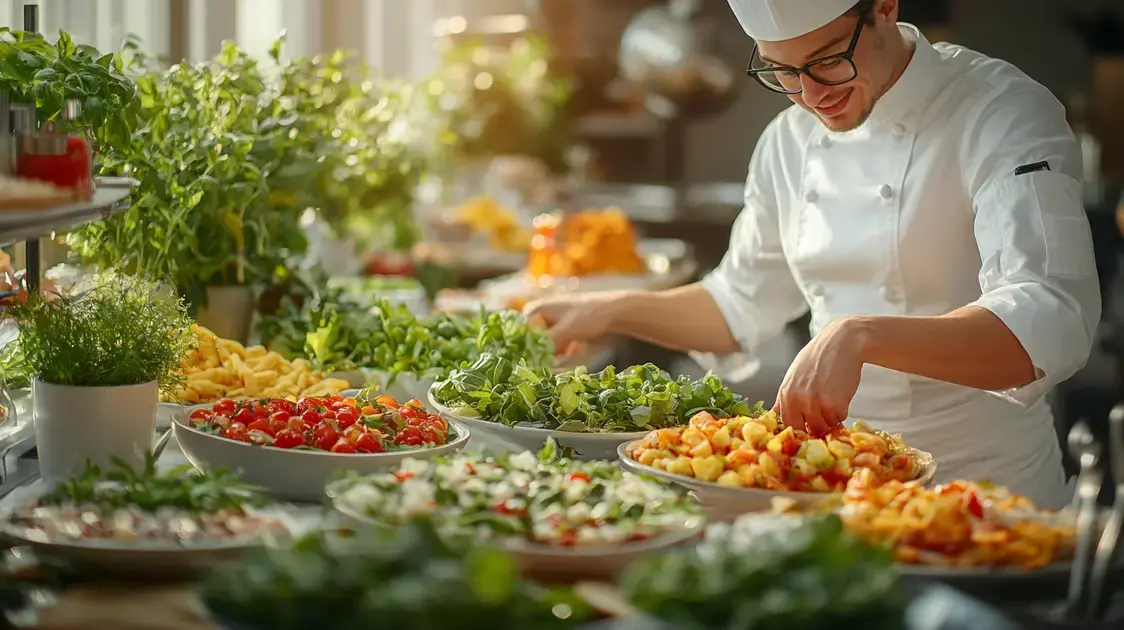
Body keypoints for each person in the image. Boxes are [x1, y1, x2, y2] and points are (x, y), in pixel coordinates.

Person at [524, 0, 1101, 508]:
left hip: (988, 493)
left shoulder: (1000, 111)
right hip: (837, 487)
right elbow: (737, 303)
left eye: (827, 60)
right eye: (781, 70)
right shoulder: (788, 142)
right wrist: (607, 308)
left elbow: (1051, 319)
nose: (811, 95)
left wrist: (861, 336)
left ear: (884, 8)